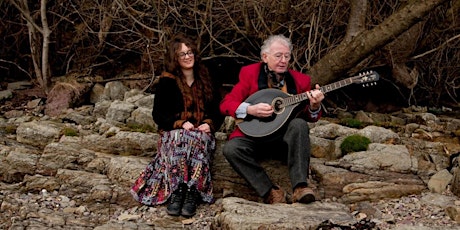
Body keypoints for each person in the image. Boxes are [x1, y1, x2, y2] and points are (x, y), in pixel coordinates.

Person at [219, 34, 325, 204]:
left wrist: (314, 106)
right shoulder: (249, 73)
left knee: (299, 124)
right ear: (265, 57)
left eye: (287, 56)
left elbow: (309, 117)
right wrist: (251, 109)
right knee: (231, 149)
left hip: (283, 141)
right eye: (278, 56)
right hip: (254, 137)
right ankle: (270, 192)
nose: (283, 60)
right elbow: (226, 104)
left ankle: (300, 187)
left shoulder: (301, 81)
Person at [130, 33, 223, 217]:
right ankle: (177, 190)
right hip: (174, 131)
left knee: (197, 139)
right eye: (182, 54)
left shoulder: (206, 77)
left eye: (190, 53)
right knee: (179, 138)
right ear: (175, 58)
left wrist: (208, 124)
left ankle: (192, 192)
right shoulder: (167, 81)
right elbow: (158, 114)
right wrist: (180, 123)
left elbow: (217, 109)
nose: (187, 57)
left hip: (200, 132)